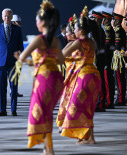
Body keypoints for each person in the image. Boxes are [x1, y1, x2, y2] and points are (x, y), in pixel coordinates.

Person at [14, 0, 64, 154]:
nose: (36, 23)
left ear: (42, 22)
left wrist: (19, 57)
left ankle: (49, 148)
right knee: (47, 112)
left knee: (41, 113)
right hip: (56, 80)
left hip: (44, 79)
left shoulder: (39, 39)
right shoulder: (55, 40)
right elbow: (61, 60)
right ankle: (47, 147)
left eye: (37, 20)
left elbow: (22, 57)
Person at [58, 6, 101, 144]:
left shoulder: (78, 42)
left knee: (76, 107)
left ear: (81, 30)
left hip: (84, 77)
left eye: (75, 29)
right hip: (94, 75)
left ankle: (83, 135)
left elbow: (61, 55)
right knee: (88, 107)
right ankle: (90, 138)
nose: (73, 31)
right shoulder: (91, 42)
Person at [0, 8, 24, 116]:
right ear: (2, 17)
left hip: (13, 63)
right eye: (5, 16)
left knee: (14, 87)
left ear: (11, 17)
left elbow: (20, 47)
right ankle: (3, 109)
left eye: (9, 16)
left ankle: (13, 109)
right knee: (2, 87)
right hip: (1, 63)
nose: (7, 18)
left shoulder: (17, 30)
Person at [56, 15, 77, 131]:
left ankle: (67, 125)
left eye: (68, 32)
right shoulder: (83, 42)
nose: (66, 34)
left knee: (68, 101)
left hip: (73, 76)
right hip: (78, 75)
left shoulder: (74, 43)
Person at [90, 11, 106, 112]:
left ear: (97, 20)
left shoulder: (97, 30)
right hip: (98, 59)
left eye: (93, 19)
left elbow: (96, 47)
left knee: (98, 82)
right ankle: (99, 103)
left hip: (97, 59)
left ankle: (99, 104)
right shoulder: (99, 30)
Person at [102, 11, 115, 109]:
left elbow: (107, 48)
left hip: (107, 59)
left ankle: (109, 102)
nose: (103, 20)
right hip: (107, 59)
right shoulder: (107, 30)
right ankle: (108, 101)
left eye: (104, 19)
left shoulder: (108, 31)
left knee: (107, 81)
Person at [112, 12, 126, 106]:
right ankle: (120, 98)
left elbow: (120, 46)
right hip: (116, 58)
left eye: (114, 20)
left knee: (119, 78)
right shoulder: (117, 30)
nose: (113, 21)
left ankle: (120, 99)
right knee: (117, 79)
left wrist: (120, 53)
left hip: (119, 59)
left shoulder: (119, 31)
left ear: (118, 21)